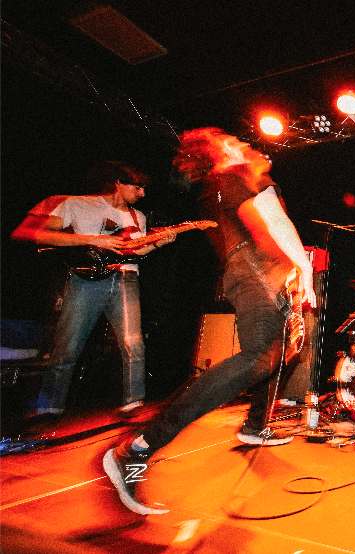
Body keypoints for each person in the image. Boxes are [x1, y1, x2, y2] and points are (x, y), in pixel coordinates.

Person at [102, 128, 317, 515]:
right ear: (219, 154)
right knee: (258, 358)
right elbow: (268, 219)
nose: (246, 145)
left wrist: (290, 276)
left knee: (276, 354)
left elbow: (263, 225)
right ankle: (138, 446)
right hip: (256, 273)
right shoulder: (237, 175)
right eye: (234, 142)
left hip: (261, 273)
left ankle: (253, 425)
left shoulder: (224, 184)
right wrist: (303, 265)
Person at [11, 162, 177, 425]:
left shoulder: (138, 217)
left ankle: (133, 404)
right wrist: (92, 239)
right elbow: (38, 235)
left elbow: (135, 250)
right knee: (68, 345)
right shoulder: (76, 204)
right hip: (85, 280)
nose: (142, 194)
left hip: (126, 277)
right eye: (138, 187)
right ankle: (48, 408)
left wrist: (158, 242)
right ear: (119, 184)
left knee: (133, 342)